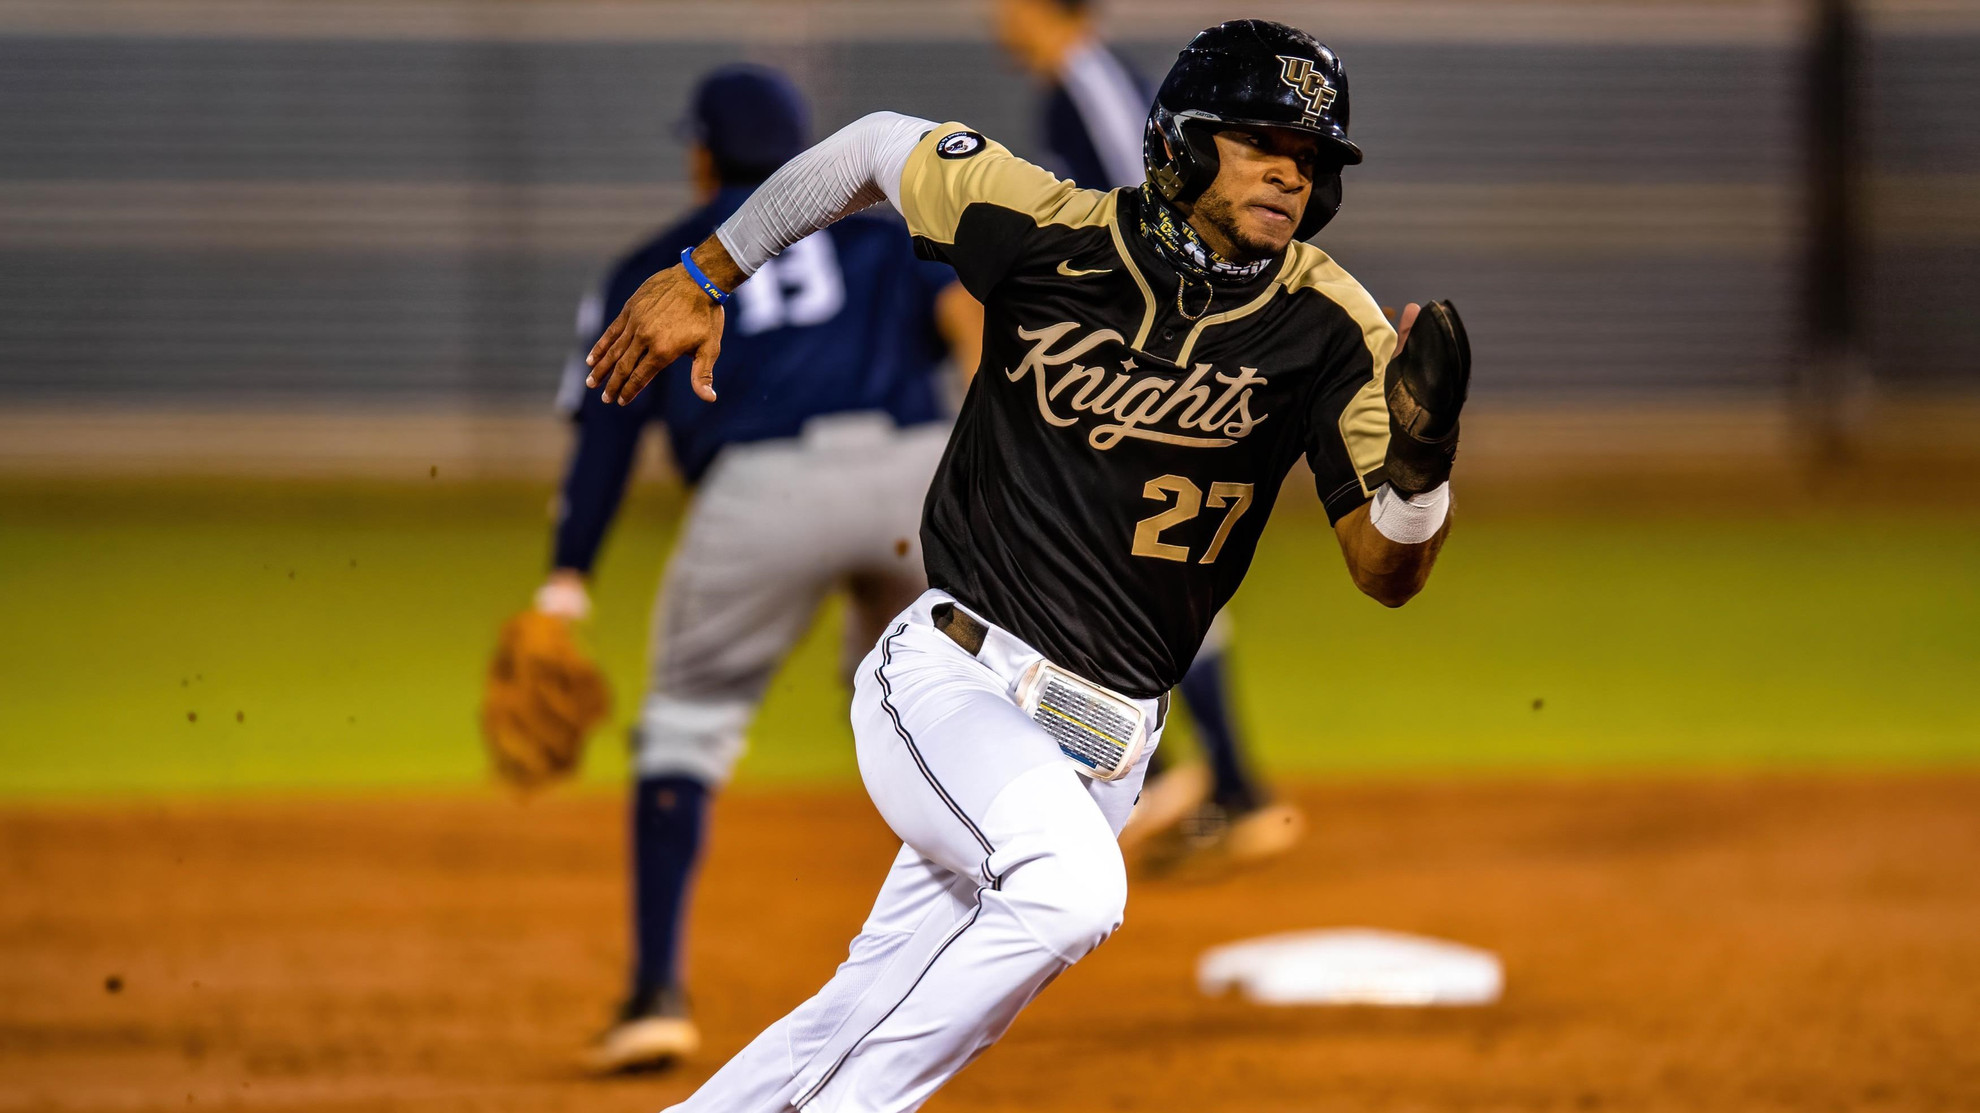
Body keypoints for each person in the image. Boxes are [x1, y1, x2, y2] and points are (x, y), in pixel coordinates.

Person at [584, 20, 1469, 1111]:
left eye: (1314, 154)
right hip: (956, 678)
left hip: (1111, 746)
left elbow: (1386, 567)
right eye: (1260, 139)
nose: (1294, 167)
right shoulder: (1052, 230)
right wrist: (706, 271)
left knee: (866, 998)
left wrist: (1423, 469)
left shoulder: (1330, 326)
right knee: (1073, 896)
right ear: (1185, 141)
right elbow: (871, 146)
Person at [534, 64, 980, 1074]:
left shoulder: (658, 262)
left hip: (761, 493)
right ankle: (965, 962)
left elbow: (608, 428)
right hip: (916, 479)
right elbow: (966, 322)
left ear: (700, 155)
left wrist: (567, 583)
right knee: (936, 722)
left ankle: (654, 994)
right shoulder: (875, 235)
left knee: (686, 734)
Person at [995, 0, 1301, 872]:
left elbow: (1152, 205)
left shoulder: (1085, 82)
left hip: (1150, 359)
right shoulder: (1079, 83)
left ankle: (1180, 778)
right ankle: (1206, 782)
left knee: (1126, 557)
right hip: (1144, 356)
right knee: (1141, 557)